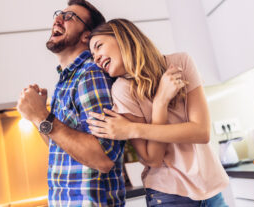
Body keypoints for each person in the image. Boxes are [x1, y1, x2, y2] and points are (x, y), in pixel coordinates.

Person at [87, 18, 229, 206]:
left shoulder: (180, 63)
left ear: (122, 36)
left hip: (210, 191)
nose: (96, 58)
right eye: (92, 55)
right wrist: (160, 102)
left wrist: (131, 129)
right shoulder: (122, 90)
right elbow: (152, 159)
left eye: (98, 46)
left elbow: (201, 132)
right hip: (167, 195)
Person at [17, 0, 125, 207]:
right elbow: (61, 144)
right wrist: (36, 116)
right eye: (59, 14)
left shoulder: (90, 75)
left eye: (69, 17)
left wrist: (42, 116)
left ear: (87, 35)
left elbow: (103, 158)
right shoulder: (67, 80)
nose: (58, 19)